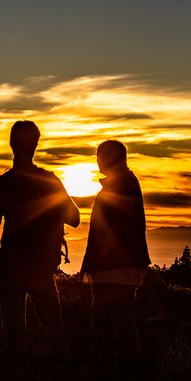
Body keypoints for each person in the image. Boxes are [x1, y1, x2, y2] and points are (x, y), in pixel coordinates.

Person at [0, 120, 80, 355]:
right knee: (54, 330)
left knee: (14, 336)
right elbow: (74, 218)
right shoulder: (49, 181)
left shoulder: (2, 183)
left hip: (12, 268)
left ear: (11, 144)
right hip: (42, 268)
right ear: (36, 145)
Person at [80, 140, 151, 361]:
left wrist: (92, 266)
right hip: (118, 268)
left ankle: (116, 379)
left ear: (110, 158)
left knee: (110, 327)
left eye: (100, 156)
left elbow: (110, 232)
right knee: (119, 326)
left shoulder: (122, 185)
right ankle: (124, 378)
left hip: (114, 269)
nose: (98, 161)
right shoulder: (124, 183)